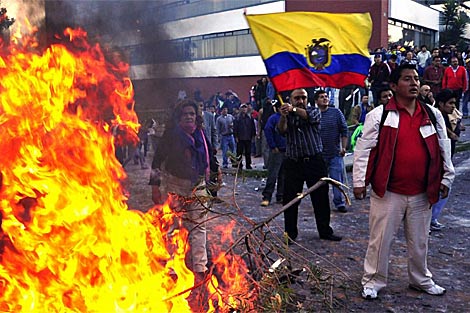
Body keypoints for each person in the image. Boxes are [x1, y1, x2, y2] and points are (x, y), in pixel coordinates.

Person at [353, 64, 455, 300]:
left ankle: (420, 280)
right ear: (393, 85)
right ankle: (373, 281)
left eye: (416, 79)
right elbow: (363, 150)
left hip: (422, 192)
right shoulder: (381, 115)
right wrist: (359, 181)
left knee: (420, 241)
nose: (414, 83)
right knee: (380, 240)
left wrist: (447, 177)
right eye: (407, 79)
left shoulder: (432, 114)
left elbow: (443, 148)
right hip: (388, 192)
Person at [149, 99, 222, 280]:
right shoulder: (171, 136)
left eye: (192, 113)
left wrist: (215, 173)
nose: (189, 117)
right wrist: (155, 187)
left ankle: (200, 265)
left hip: (198, 186)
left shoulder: (201, 134)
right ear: (178, 118)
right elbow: (157, 162)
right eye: (185, 114)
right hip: (175, 185)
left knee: (199, 226)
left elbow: (209, 156)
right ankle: (172, 267)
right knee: (174, 226)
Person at [278, 88, 342, 242]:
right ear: (291, 99)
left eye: (303, 97)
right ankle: (290, 234)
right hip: (294, 162)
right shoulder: (287, 115)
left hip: (314, 161)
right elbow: (282, 130)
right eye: (297, 98)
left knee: (321, 198)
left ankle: (325, 231)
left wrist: (293, 109)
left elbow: (310, 117)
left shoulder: (314, 111)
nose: (301, 100)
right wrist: (283, 117)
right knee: (290, 200)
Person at [430, 89, 460, 231]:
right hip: (436, 160)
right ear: (441, 104)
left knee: (444, 190)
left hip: (447, 157)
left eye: (454, 103)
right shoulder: (435, 116)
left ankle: (433, 218)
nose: (453, 106)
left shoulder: (449, 116)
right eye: (450, 103)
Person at [315, 90, 349, 213]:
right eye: (321, 97)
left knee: (336, 180)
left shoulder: (336, 113)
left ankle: (339, 203)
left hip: (335, 152)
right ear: (316, 101)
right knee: (320, 182)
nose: (324, 99)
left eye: (326, 97)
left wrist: (344, 147)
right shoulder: (314, 114)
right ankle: (321, 204)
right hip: (319, 154)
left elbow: (344, 130)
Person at [260, 99, 286, 207]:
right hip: (277, 150)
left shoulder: (288, 117)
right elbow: (268, 130)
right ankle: (267, 196)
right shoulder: (273, 118)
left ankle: (281, 195)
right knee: (273, 174)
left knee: (283, 175)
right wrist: (273, 145)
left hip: (287, 151)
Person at [233, 103, 256, 170]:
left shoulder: (250, 117)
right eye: (242, 108)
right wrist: (236, 136)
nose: (244, 109)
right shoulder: (237, 118)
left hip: (248, 137)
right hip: (240, 137)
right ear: (240, 109)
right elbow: (235, 128)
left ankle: (248, 165)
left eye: (245, 108)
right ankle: (239, 165)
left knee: (248, 152)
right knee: (239, 152)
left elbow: (253, 127)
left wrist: (253, 135)